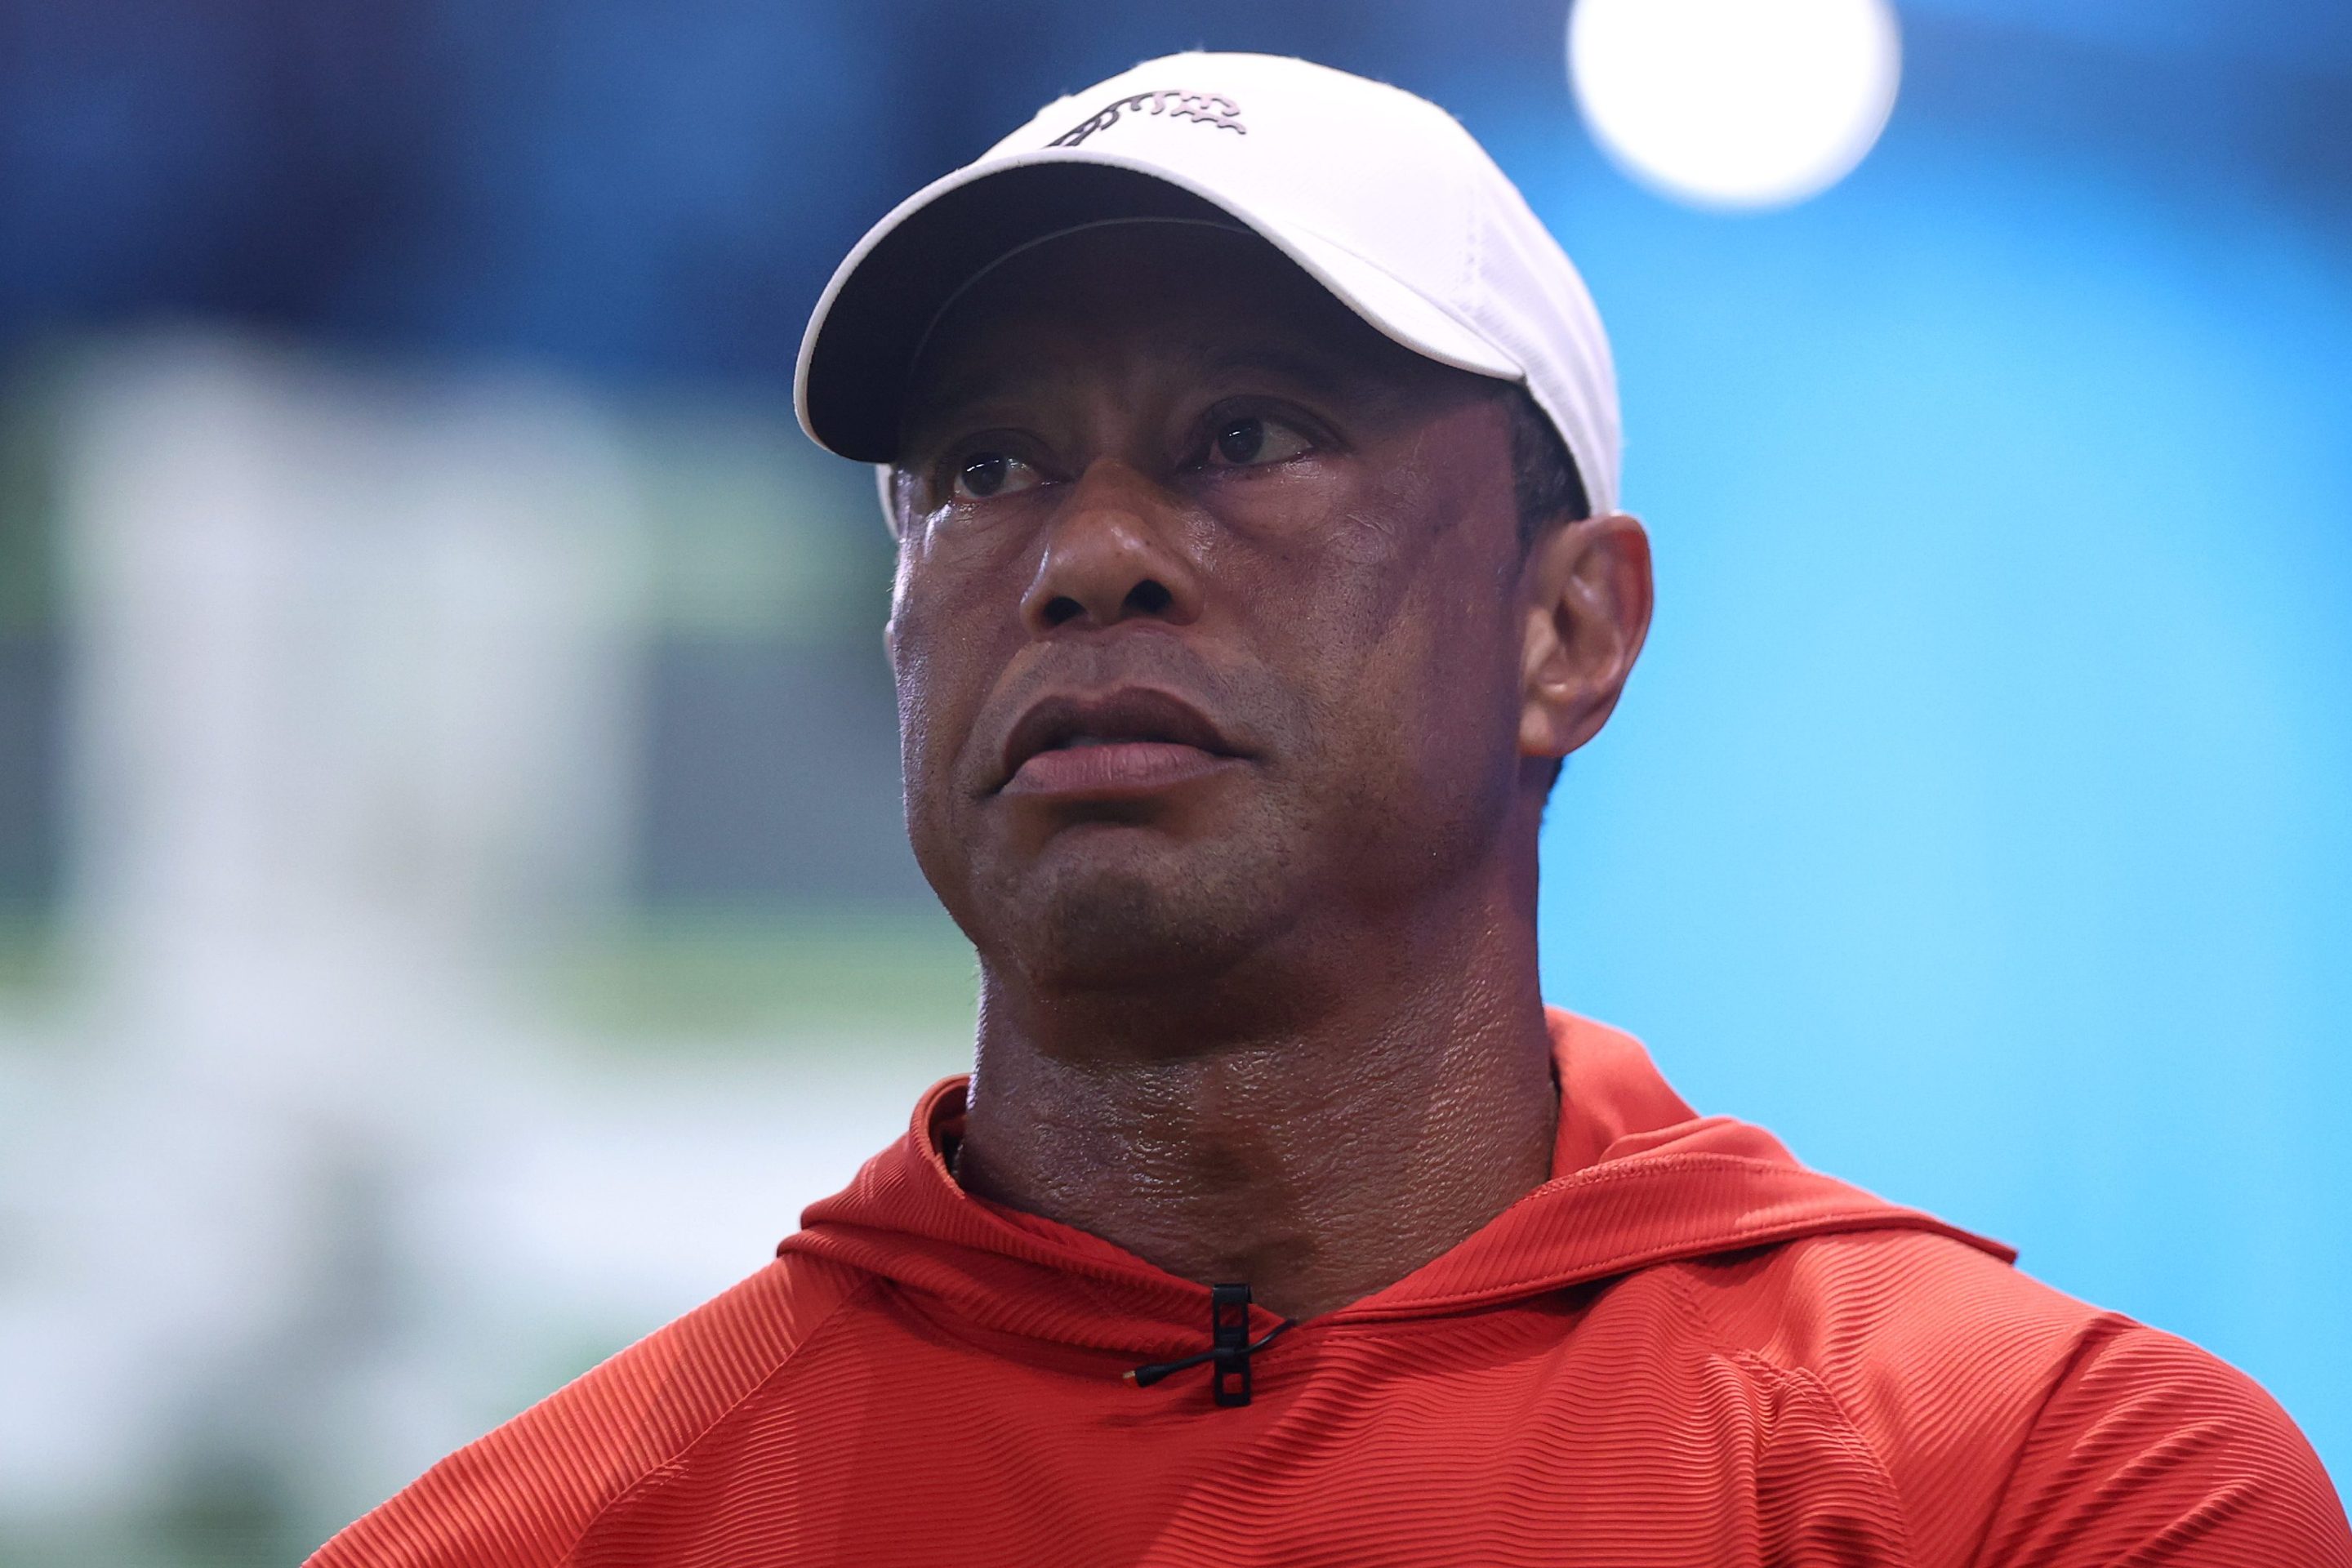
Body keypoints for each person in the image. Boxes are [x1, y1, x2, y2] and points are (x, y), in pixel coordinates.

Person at [310, 51, 2350, 1567]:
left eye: (1247, 434)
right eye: (987, 469)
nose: (1091, 553)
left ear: (1569, 628)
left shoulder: (2042, 1494)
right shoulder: (524, 1546)